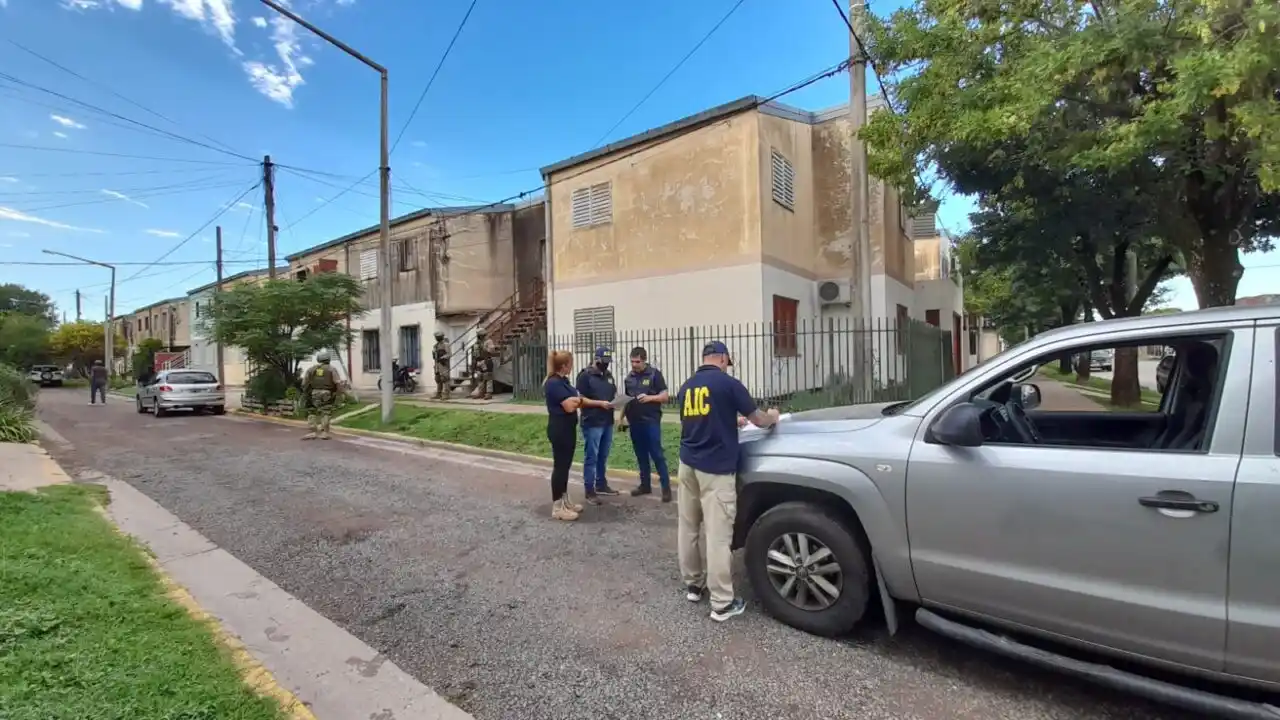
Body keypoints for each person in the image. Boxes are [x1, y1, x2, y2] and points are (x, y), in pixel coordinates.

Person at [677, 341, 779, 622]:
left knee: (688, 528)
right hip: (716, 470)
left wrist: (729, 422)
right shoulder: (728, 384)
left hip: (687, 465)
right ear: (722, 358)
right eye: (726, 361)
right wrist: (774, 417)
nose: (726, 365)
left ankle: (693, 584)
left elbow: (697, 420)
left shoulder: (687, 386)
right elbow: (759, 420)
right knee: (718, 535)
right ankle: (722, 602)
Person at [621, 346, 672, 502]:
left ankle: (666, 488)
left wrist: (650, 398)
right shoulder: (629, 377)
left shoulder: (654, 374)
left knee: (657, 454)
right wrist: (621, 418)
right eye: (632, 362)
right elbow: (626, 399)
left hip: (651, 421)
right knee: (640, 455)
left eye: (637, 362)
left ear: (644, 360)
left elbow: (665, 396)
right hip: (634, 422)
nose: (634, 365)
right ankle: (645, 485)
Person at [544, 350, 586, 521]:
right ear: (564, 365)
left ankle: (564, 500)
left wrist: (578, 400)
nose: (572, 366)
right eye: (571, 363)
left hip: (568, 428)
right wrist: (578, 401)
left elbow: (577, 398)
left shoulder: (564, 381)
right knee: (560, 467)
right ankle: (557, 507)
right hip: (559, 429)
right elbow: (569, 406)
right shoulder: (553, 383)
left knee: (566, 466)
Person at [577, 346, 621, 503]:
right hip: (592, 422)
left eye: (608, 362)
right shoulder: (585, 376)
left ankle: (601, 484)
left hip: (607, 421)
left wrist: (616, 403)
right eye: (604, 361)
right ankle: (590, 490)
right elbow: (580, 400)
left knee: (603, 455)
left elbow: (612, 394)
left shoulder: (608, 376)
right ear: (596, 359)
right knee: (592, 456)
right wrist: (599, 403)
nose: (606, 364)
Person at [302, 351, 341, 440]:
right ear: (328, 359)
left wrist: (306, 393)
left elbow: (304, 383)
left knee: (312, 412)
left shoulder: (311, 369)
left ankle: (313, 432)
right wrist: (339, 393)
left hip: (314, 393)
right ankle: (324, 432)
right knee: (326, 412)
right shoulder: (331, 369)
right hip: (327, 393)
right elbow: (338, 382)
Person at [470, 329, 495, 400]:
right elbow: (475, 353)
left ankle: (489, 393)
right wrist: (474, 362)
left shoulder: (489, 341)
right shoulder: (476, 343)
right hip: (479, 361)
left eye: (479, 334)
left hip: (486, 360)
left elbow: (492, 351)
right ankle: (480, 393)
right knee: (480, 377)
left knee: (488, 377)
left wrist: (483, 347)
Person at [432, 331, 451, 400]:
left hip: (444, 364)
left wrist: (442, 358)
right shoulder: (436, 345)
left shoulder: (446, 345)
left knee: (445, 379)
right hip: (437, 364)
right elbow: (434, 355)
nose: (437, 338)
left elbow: (449, 354)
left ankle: (446, 394)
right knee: (438, 379)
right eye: (436, 337)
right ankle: (438, 394)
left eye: (438, 337)